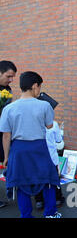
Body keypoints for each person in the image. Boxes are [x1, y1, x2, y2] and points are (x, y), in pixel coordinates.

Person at [0, 71, 61, 218]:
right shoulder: (45, 105)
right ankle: (50, 214)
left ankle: (26, 215)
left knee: (21, 183)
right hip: (39, 147)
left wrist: (6, 157)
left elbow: (6, 135)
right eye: (39, 87)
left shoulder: (8, 108)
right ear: (35, 86)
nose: (39, 90)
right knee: (48, 180)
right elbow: (49, 126)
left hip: (18, 149)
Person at [34, 121, 65, 209]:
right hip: (51, 157)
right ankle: (57, 199)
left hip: (36, 156)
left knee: (37, 178)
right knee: (54, 179)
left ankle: (39, 200)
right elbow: (59, 141)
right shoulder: (53, 124)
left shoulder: (32, 123)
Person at [0, 60, 17, 209]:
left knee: (6, 160)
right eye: (8, 76)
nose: (11, 80)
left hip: (3, 131)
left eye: (12, 77)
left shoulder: (8, 90)